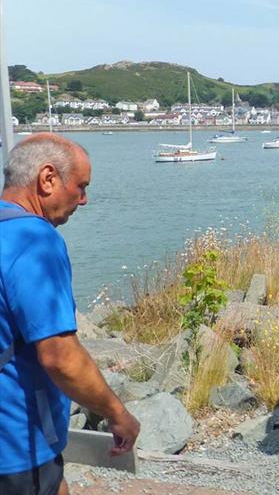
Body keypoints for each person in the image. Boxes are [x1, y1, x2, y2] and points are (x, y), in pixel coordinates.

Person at [0, 133, 140, 495]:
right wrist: (117, 414)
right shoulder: (35, 241)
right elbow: (60, 357)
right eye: (80, 186)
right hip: (16, 447)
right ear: (47, 179)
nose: (84, 199)